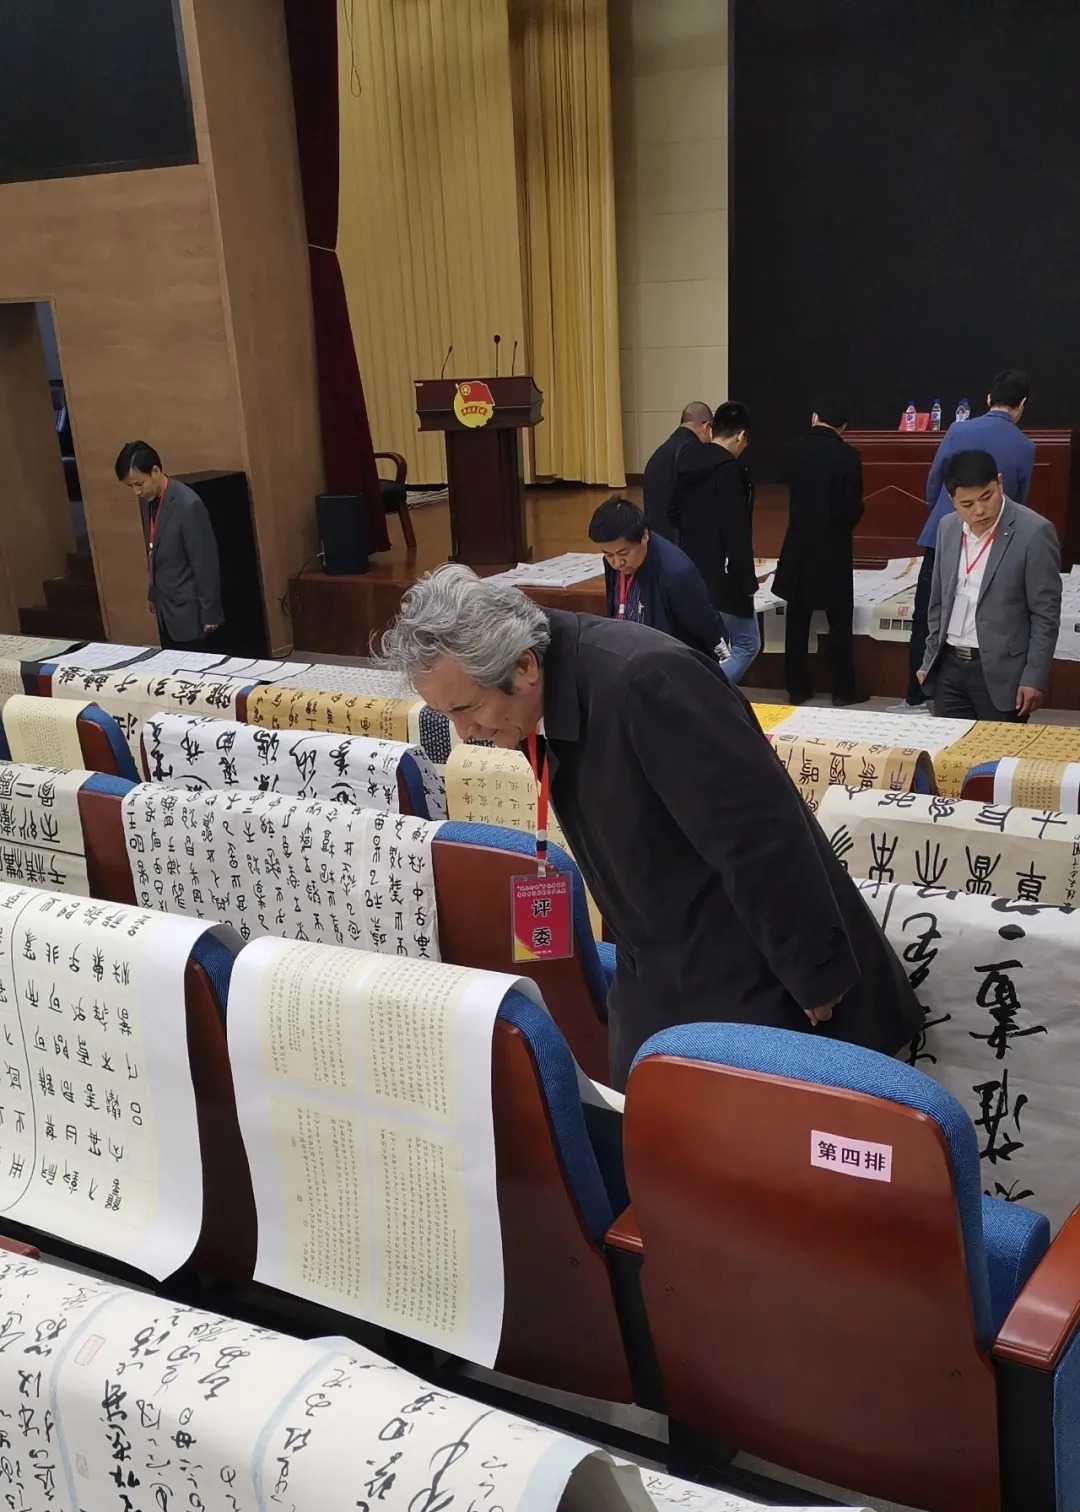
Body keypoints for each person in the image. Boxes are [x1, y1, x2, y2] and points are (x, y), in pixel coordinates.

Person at [379, 566, 922, 1087]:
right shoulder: (540, 690)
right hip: (657, 960)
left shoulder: (646, 681)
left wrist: (816, 973)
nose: (464, 731)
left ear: (524, 667)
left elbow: (760, 835)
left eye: (467, 708)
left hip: (749, 967)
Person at [907, 368, 1034, 705]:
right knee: (988, 615)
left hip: (943, 536)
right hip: (995, 545)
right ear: (1022, 404)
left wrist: (947, 519)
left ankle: (917, 696)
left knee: (928, 615)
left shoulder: (958, 429)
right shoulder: (1025, 446)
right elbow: (1018, 501)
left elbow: (935, 481)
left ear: (988, 399)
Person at [918, 448, 1061, 722]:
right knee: (951, 746)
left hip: (1001, 672)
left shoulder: (1034, 532)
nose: (980, 510)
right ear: (952, 500)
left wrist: (1034, 676)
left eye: (987, 496)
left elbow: (1046, 614)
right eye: (967, 504)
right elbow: (938, 602)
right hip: (949, 667)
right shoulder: (947, 528)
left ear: (1000, 483)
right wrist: (929, 658)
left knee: (996, 749)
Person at [773, 397, 864, 707]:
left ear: (814, 417)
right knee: (840, 622)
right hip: (834, 549)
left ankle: (797, 688)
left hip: (798, 546)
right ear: (844, 427)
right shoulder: (849, 457)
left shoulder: (793, 451)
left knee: (797, 620)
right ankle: (843, 689)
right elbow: (853, 508)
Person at [670, 399, 761, 685]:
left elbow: (672, 512)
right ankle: (702, 697)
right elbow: (737, 533)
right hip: (724, 573)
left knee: (711, 646)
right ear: (741, 435)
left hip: (691, 567)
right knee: (746, 644)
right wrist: (747, 583)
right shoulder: (729, 470)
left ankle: (701, 694)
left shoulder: (685, 462)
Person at [587, 496, 727, 659]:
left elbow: (708, 628)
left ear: (644, 535)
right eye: (608, 554)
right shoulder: (614, 562)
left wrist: (721, 660)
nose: (617, 563)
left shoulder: (676, 574)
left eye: (623, 553)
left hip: (670, 662)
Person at [115, 440, 223, 651]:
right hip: (165, 609)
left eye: (139, 484)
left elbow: (205, 563)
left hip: (189, 610)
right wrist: (153, 592)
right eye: (131, 486)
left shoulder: (188, 504)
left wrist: (211, 612)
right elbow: (154, 548)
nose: (136, 492)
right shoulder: (147, 501)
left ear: (155, 470)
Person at [641, 402, 713, 541]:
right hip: (678, 541)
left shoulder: (661, 452)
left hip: (655, 538)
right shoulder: (692, 450)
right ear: (707, 426)